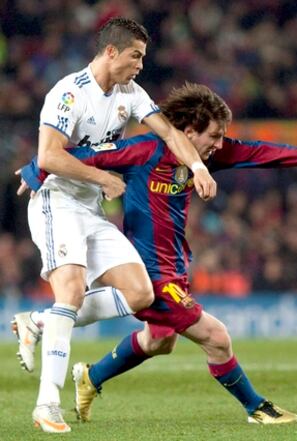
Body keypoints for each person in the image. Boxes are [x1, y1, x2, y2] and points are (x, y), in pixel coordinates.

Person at [21, 83, 297, 427]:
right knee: (216, 337)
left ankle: (89, 375)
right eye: (213, 135)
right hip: (145, 270)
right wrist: (36, 170)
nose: (219, 144)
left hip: (174, 265)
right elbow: (86, 156)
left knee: (160, 340)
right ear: (189, 131)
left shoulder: (205, 159)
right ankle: (256, 407)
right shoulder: (144, 150)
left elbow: (262, 153)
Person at [12, 18, 216, 434]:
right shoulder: (68, 94)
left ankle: (37, 322)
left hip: (90, 209)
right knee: (70, 289)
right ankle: (47, 404)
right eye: (135, 56)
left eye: (143, 57)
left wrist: (196, 165)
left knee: (141, 294)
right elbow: (49, 157)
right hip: (57, 202)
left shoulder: (130, 93)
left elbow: (169, 133)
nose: (141, 65)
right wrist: (103, 179)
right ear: (111, 52)